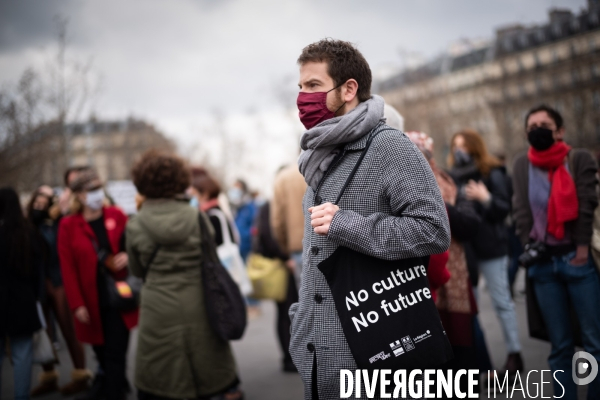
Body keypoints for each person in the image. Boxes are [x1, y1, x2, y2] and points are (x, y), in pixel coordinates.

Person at [289, 38, 451, 400]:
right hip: (319, 356)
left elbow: (434, 230)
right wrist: (300, 326)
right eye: (300, 87)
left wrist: (347, 224)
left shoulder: (389, 146)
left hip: (374, 354)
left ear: (349, 89)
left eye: (313, 85)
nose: (303, 97)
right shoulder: (320, 154)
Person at [127, 150, 242, 400]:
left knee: (162, 376)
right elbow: (211, 259)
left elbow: (136, 271)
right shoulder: (196, 216)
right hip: (199, 302)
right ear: (179, 180)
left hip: (157, 308)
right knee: (206, 369)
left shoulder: (135, 224)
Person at [513, 104, 600, 399]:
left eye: (544, 124)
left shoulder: (579, 159)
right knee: (559, 347)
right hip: (543, 267)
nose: (537, 129)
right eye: (531, 125)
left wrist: (581, 250)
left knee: (594, 344)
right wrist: (529, 246)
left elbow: (587, 206)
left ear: (560, 131)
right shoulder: (522, 165)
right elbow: (521, 212)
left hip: (577, 262)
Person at [448, 129, 523, 376]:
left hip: (492, 248)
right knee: (473, 308)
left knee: (502, 301)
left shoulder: (493, 172)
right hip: (468, 250)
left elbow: (503, 209)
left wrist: (485, 197)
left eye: (464, 146)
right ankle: (483, 366)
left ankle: (514, 355)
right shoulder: (453, 177)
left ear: (474, 147)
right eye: (455, 147)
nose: (459, 152)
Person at [58, 169, 137, 400]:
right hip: (91, 299)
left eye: (99, 189)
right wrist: (77, 304)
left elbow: (135, 244)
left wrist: (129, 255)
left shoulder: (117, 214)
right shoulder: (68, 225)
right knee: (100, 350)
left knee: (116, 350)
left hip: (119, 293)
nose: (97, 194)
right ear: (80, 196)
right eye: (92, 190)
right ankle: (116, 385)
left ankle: (114, 392)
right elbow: (68, 269)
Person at [26, 188, 90, 397]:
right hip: (38, 286)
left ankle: (81, 375)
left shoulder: (58, 225)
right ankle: (49, 377)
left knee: (69, 329)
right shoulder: (27, 229)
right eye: (37, 204)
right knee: (44, 334)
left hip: (58, 281)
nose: (40, 208)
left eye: (44, 204)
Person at [0, 187, 43, 400]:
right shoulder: (27, 233)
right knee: (23, 355)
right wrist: (36, 297)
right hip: (22, 302)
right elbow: (37, 270)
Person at [253, 200, 299, 372]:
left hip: (284, 263)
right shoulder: (273, 206)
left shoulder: (268, 205)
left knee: (285, 313)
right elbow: (268, 233)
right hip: (284, 266)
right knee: (288, 312)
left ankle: (289, 358)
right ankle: (291, 358)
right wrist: (286, 257)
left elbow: (265, 233)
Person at [271, 165, 307, 289]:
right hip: (327, 238)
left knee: (305, 293)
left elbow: (277, 221)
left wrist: (286, 248)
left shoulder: (282, 178)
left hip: (298, 246)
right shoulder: (322, 167)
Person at [229, 179, 256, 262]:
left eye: (238, 188)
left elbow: (255, 228)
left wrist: (247, 235)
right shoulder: (231, 207)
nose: (235, 191)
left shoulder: (250, 207)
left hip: (247, 249)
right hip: (234, 249)